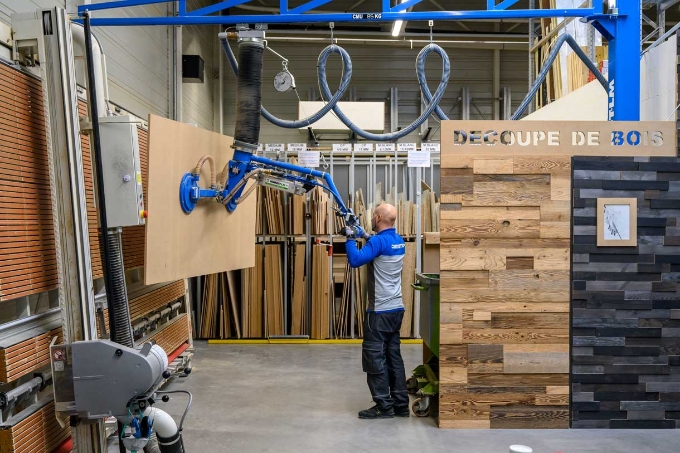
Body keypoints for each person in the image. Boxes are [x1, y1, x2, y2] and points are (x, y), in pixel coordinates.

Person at [344, 203, 409, 419]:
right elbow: (377, 243)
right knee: (394, 358)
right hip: (396, 309)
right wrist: (362, 232)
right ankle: (400, 405)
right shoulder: (398, 241)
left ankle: (383, 406)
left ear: (379, 217)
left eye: (374, 215)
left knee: (374, 359)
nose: (372, 217)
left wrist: (350, 237)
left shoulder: (379, 242)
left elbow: (355, 260)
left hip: (379, 312)